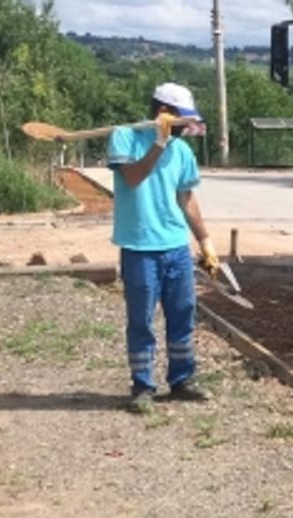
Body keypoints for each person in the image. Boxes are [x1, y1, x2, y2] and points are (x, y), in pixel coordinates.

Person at [107, 82, 219, 414]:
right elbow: (132, 178)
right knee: (141, 319)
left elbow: (186, 198)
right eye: (182, 120)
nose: (187, 127)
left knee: (183, 314)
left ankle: (182, 380)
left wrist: (205, 242)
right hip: (139, 246)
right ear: (162, 114)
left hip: (175, 247)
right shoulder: (124, 137)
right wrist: (158, 143)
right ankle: (142, 386)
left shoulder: (183, 152)